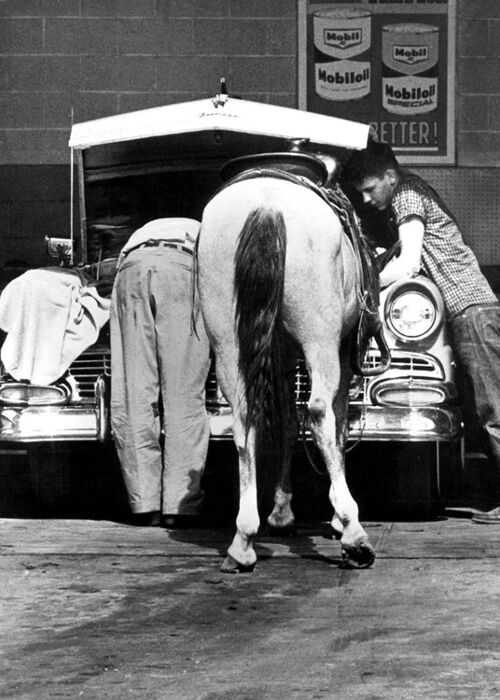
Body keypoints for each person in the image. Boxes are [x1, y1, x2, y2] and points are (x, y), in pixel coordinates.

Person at [342, 140, 500, 524]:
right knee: (487, 410)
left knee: (494, 410)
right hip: (472, 312)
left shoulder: (408, 194)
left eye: (369, 188)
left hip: (473, 311)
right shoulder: (408, 195)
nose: (364, 199)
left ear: (390, 177)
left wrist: (362, 286)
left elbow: (409, 263)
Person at [110, 218, 211, 528]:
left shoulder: (140, 233)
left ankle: (145, 504)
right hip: (183, 266)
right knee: (183, 395)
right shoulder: (202, 228)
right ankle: (178, 506)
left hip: (131, 268)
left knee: (134, 393)